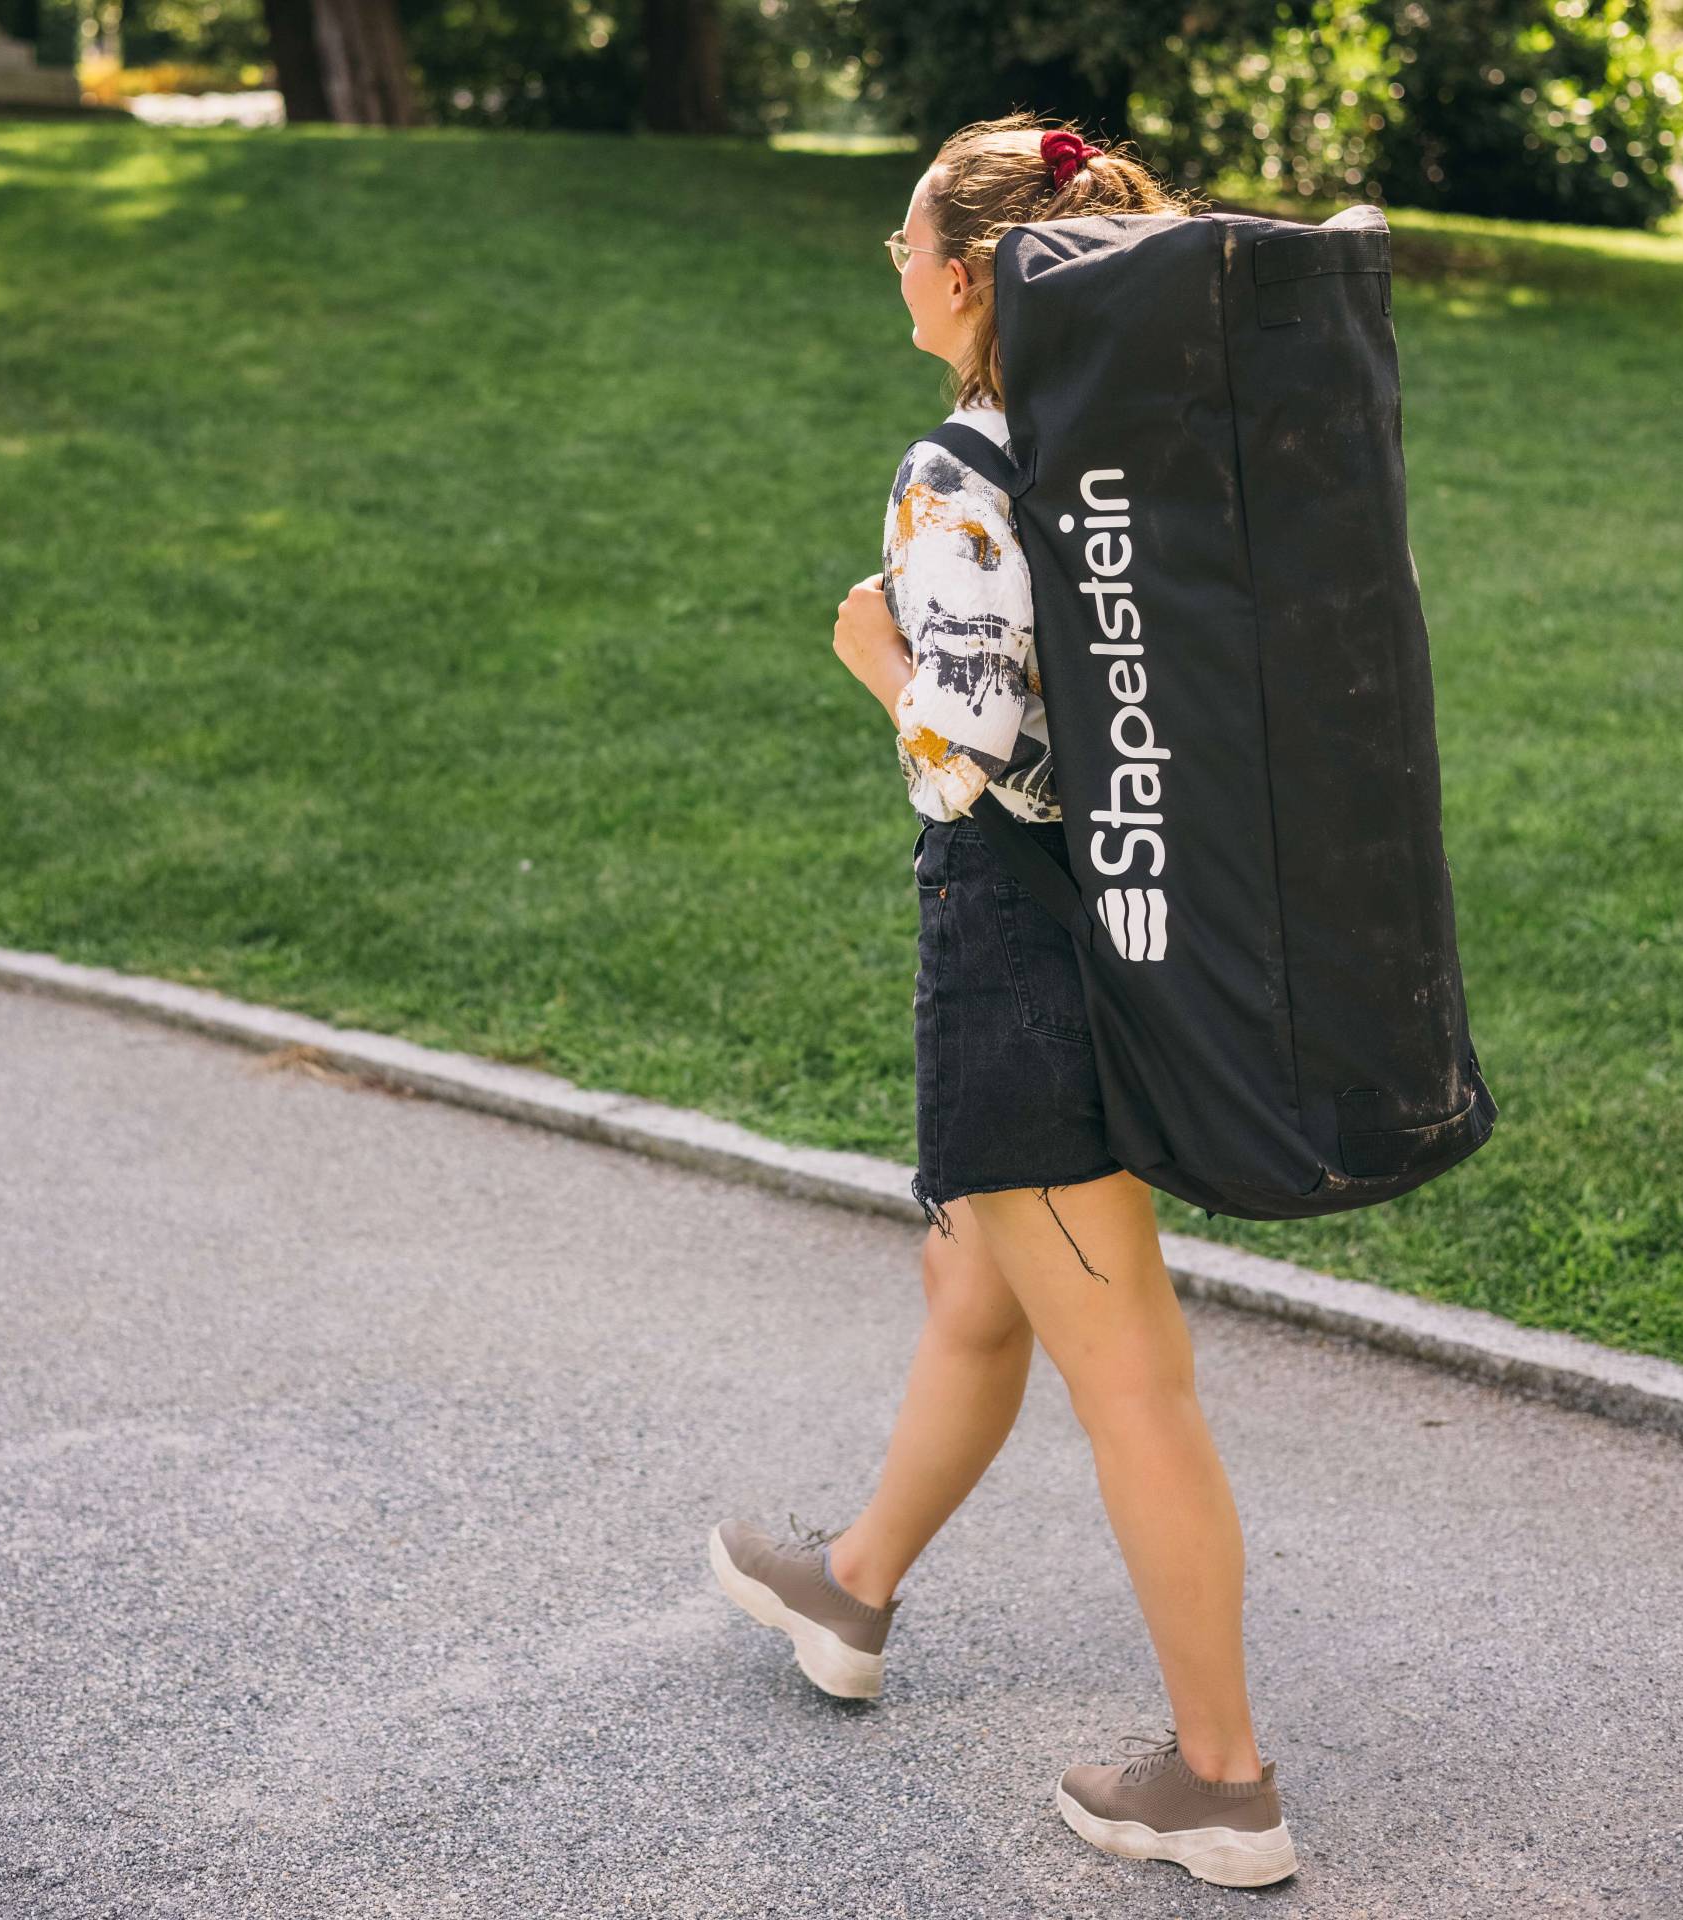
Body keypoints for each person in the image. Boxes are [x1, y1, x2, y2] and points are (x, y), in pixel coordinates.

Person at [709, 114, 1299, 1891]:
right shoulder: (1134, 452)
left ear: (969, 277)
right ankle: (854, 1589)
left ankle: (1221, 1784)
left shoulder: (957, 474)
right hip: (1132, 932)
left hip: (1023, 958)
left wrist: (872, 650)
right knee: (977, 1290)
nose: (889, 265)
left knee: (1135, 1381)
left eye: (902, 241)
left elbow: (979, 761)